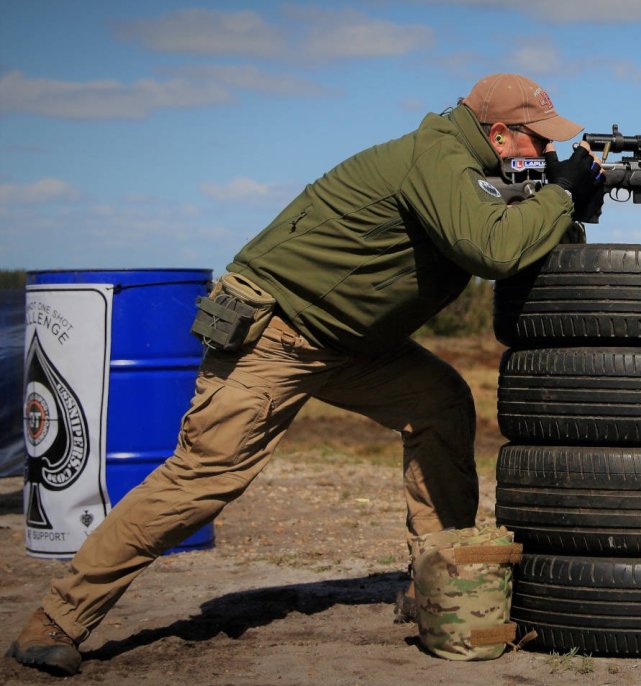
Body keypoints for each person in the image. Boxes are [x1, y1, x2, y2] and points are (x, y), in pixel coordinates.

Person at [6, 73, 603, 676]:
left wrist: (564, 201)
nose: (548, 152)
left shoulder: (476, 172)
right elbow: (494, 250)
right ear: (500, 135)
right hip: (278, 335)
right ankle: (56, 620)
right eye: (539, 140)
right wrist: (560, 195)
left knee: (440, 402)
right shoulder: (438, 157)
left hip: (349, 342)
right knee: (202, 478)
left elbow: (515, 237)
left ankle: (441, 589)